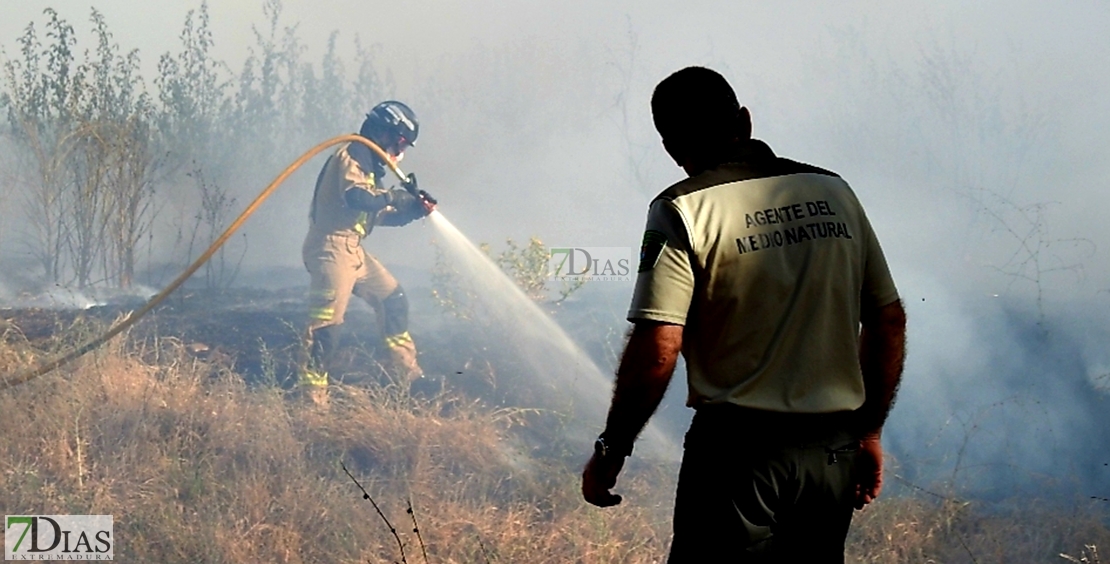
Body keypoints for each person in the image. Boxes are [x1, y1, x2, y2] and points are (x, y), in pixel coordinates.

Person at [581, 67, 906, 562]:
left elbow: (658, 348)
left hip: (738, 458)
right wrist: (868, 431)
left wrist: (613, 448)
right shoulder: (835, 192)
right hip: (831, 454)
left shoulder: (681, 209)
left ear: (670, 147)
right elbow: (888, 320)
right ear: (745, 121)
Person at [300, 100, 437, 406]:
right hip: (331, 248)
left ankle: (408, 378)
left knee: (393, 300)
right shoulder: (353, 153)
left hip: (352, 249)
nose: (399, 152)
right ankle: (312, 404)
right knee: (326, 329)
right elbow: (357, 197)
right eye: (400, 143)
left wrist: (411, 210)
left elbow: (374, 215)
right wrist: (394, 197)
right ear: (386, 132)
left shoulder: (368, 167)